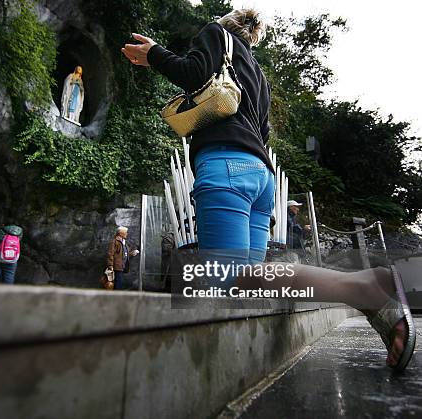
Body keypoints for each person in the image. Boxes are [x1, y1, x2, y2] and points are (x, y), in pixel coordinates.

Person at [121, 8, 415, 369]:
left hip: (225, 169)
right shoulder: (258, 75)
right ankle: (365, 290)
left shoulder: (215, 34)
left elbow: (193, 73)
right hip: (260, 176)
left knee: (226, 283)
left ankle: (364, 287)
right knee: (249, 283)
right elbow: (263, 133)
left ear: (228, 27)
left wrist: (154, 54)